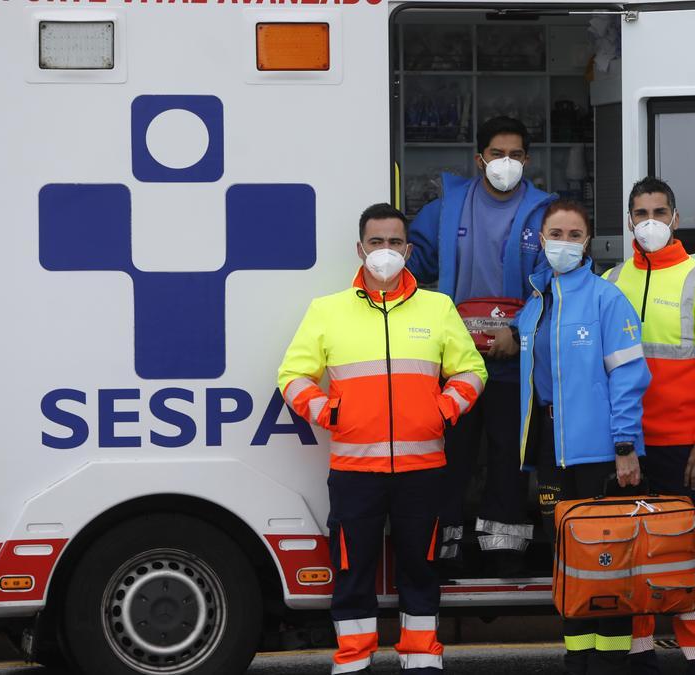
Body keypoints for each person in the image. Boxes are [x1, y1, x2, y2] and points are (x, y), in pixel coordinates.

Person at [278, 203, 487, 674]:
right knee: (353, 572)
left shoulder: (438, 308)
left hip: (423, 470)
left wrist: (443, 408)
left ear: (409, 250)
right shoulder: (327, 311)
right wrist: (332, 411)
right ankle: (353, 661)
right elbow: (292, 375)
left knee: (421, 568)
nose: (385, 252)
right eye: (377, 242)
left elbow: (471, 370)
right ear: (360, 248)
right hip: (355, 471)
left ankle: (421, 657)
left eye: (395, 242)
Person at [408, 116, 557, 574]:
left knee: (508, 464)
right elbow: (414, 266)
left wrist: (521, 332)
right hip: (456, 364)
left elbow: (556, 284)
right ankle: (447, 556)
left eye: (515, 154)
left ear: (527, 160)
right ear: (480, 159)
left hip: (517, 363)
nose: (505, 163)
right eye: (497, 154)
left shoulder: (546, 213)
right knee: (450, 461)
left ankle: (505, 558)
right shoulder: (448, 207)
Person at [602, 178, 695, 674]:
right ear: (630, 220)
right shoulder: (613, 282)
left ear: (676, 219)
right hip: (629, 449)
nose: (650, 220)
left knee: (691, 555)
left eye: (660, 211)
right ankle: (637, 660)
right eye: (641, 212)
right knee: (631, 553)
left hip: (685, 449)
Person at [518, 200, 650, 675]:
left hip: (601, 453)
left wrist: (625, 446)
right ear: (541, 238)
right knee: (570, 561)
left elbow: (629, 377)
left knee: (607, 560)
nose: (565, 243)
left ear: (588, 241)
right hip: (553, 449)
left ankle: (611, 664)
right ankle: (579, 660)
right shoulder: (537, 300)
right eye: (556, 233)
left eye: (575, 235)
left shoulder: (606, 298)